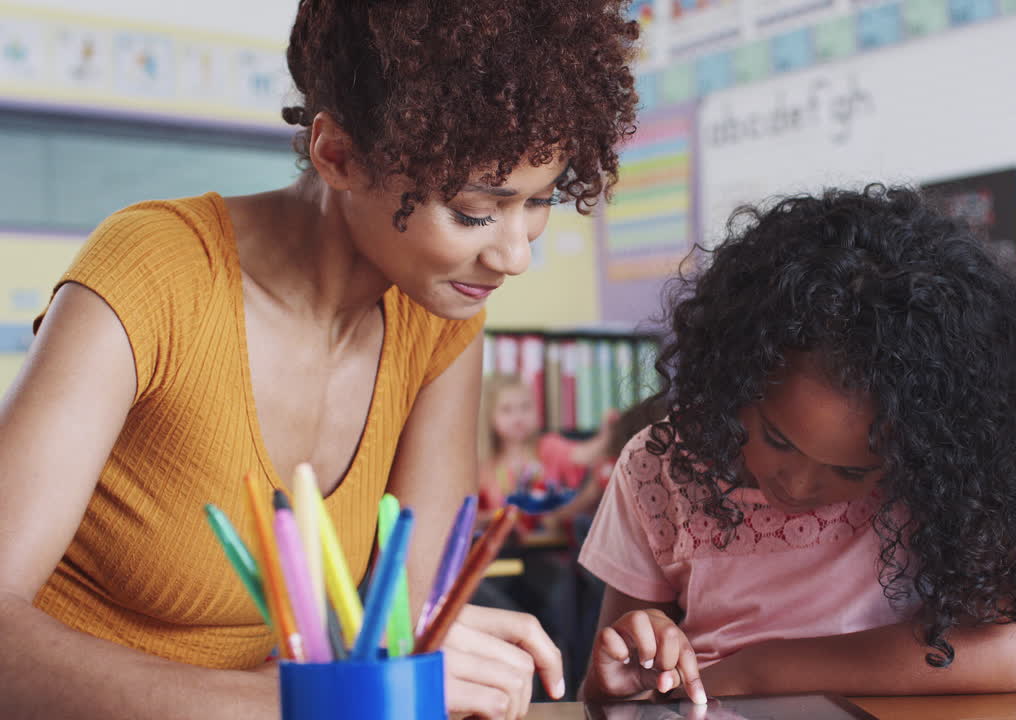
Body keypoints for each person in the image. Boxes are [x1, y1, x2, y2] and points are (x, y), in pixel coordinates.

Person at [0, 1, 638, 718]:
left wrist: (425, 665)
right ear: (337, 155)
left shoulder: (437, 318)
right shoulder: (155, 271)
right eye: (474, 211)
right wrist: (302, 701)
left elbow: (410, 625)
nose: (514, 255)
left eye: (538, 203)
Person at [577, 186, 1016, 703]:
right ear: (737, 380)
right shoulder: (660, 467)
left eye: (852, 472)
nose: (798, 483)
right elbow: (605, 691)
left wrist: (759, 668)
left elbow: (1005, 652)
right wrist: (625, 672)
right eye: (777, 439)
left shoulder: (950, 483)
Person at [477, 373, 617, 524]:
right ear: (489, 416)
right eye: (506, 410)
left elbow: (584, 455)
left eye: (526, 407)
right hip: (506, 545)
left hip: (552, 542)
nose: (518, 417)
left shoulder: (548, 446)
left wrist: (607, 434)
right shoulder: (484, 463)